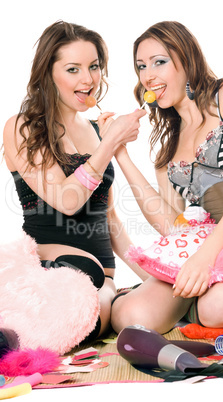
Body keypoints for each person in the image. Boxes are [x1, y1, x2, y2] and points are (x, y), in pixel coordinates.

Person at [111, 21, 223, 335]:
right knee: (130, 315)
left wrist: (204, 257)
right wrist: (120, 152)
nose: (148, 75)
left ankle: (210, 303)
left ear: (187, 58)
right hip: (208, 252)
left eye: (160, 61)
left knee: (218, 307)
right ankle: (203, 300)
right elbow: (172, 225)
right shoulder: (168, 148)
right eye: (141, 66)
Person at [2, 20, 148, 341]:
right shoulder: (24, 127)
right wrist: (111, 143)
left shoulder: (96, 131)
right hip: (54, 274)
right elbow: (67, 201)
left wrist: (155, 274)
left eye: (94, 67)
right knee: (87, 307)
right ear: (47, 74)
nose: (88, 79)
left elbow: (109, 221)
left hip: (102, 281)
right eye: (73, 69)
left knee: (138, 306)